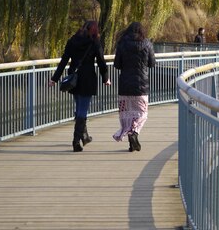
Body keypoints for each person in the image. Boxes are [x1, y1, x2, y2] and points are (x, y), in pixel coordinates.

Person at [48, 20, 111, 152]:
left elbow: (64, 60)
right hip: (87, 79)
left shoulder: (73, 41)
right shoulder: (94, 42)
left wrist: (55, 78)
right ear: (94, 30)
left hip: (74, 80)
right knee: (83, 110)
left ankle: (84, 136)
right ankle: (76, 141)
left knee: (79, 108)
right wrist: (105, 78)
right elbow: (101, 62)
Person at [112, 22, 156, 152]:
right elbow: (152, 63)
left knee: (125, 113)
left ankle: (131, 140)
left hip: (125, 85)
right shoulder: (147, 43)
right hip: (141, 86)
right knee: (142, 113)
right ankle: (134, 132)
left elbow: (117, 64)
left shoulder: (122, 43)